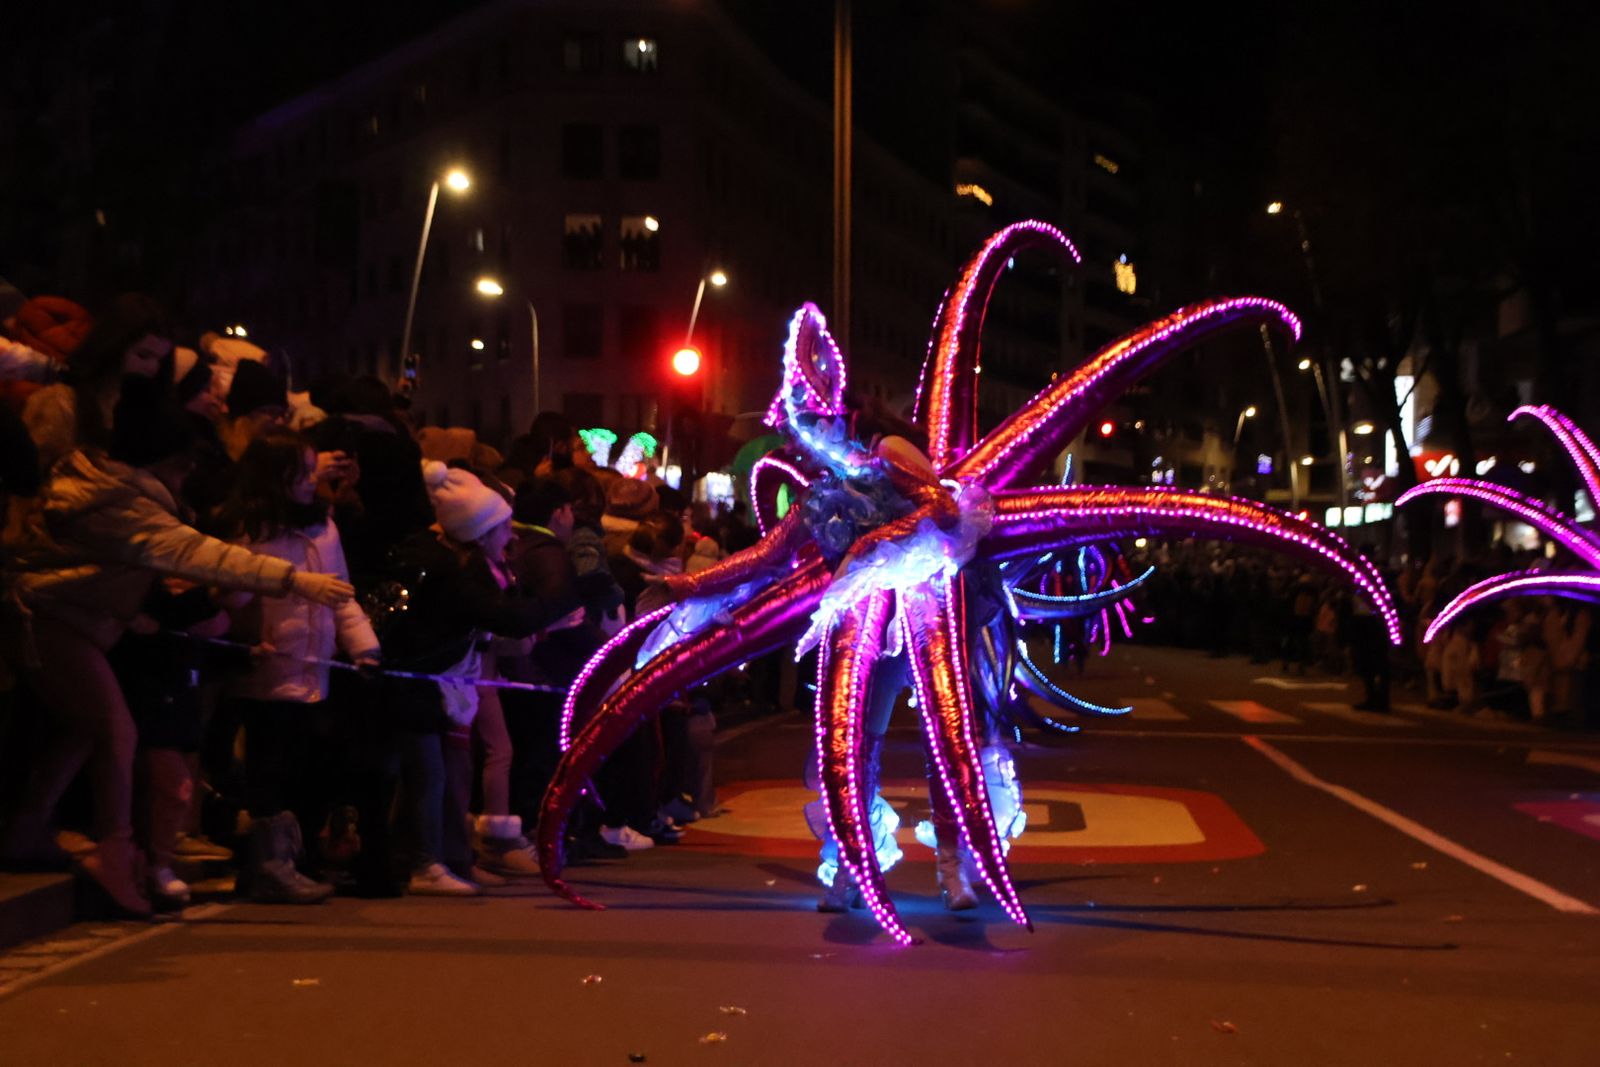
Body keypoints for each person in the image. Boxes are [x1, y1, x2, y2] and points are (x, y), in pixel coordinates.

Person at [1, 378, 353, 916]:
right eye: (184, 465)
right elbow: (196, 553)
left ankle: (28, 827)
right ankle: (115, 853)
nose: (190, 476)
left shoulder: (110, 490)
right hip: (51, 619)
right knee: (114, 728)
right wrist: (296, 580)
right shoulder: (123, 504)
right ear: (161, 460)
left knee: (81, 728)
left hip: (71, 618)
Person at [217, 430, 380, 903]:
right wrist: (245, 632)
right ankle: (266, 864)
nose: (315, 479)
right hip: (264, 670)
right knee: (267, 766)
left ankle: (289, 858)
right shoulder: (248, 529)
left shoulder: (322, 527)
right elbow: (232, 593)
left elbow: (341, 593)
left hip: (316, 668)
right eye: (304, 471)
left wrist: (363, 647)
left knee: (303, 765)